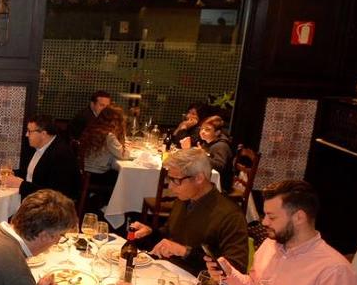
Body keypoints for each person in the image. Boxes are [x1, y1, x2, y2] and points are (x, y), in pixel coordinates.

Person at [206, 180, 357, 285]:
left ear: (299, 217)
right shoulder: (270, 244)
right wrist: (229, 274)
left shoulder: (335, 270)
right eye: (264, 215)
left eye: (271, 217)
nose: (264, 222)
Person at [128, 147, 249, 275]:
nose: (170, 186)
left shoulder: (230, 215)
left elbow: (236, 269)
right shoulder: (184, 199)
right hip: (171, 271)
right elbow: (169, 233)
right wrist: (150, 232)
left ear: (199, 178)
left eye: (176, 180)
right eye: (170, 179)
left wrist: (185, 252)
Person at [12, 115, 79, 199]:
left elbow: (55, 192)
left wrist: (21, 185)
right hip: (35, 198)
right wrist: (13, 173)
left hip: (51, 207)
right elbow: (31, 174)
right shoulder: (39, 147)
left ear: (43, 134)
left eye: (29, 131)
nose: (26, 135)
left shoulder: (61, 155)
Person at [78, 104, 130, 211]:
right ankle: (110, 208)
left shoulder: (92, 129)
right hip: (97, 175)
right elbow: (124, 155)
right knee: (123, 178)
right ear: (115, 121)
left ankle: (97, 199)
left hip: (85, 172)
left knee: (115, 170)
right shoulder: (109, 136)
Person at [188, 115, 235, 189]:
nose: (202, 132)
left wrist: (202, 154)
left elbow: (219, 167)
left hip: (220, 184)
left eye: (207, 129)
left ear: (217, 133)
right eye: (202, 129)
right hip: (207, 178)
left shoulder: (221, 146)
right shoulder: (206, 143)